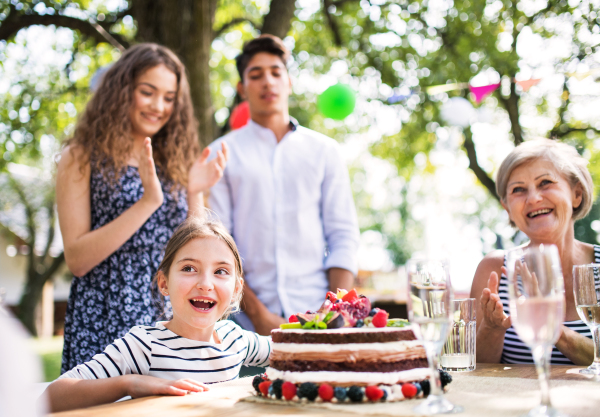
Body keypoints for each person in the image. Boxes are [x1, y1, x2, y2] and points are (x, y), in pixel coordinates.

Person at [56, 43, 228, 373]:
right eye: (148, 92)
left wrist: (195, 191)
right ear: (122, 91)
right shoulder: (80, 156)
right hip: (105, 313)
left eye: (168, 97)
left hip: (166, 316)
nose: (158, 106)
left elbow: (194, 250)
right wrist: (148, 202)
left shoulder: (176, 160)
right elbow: (77, 260)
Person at [207, 35, 360, 335]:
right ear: (242, 89)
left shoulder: (324, 151)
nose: (268, 81)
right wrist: (258, 315)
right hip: (242, 321)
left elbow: (343, 235)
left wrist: (334, 311)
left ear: (289, 82)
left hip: (321, 314)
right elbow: (219, 243)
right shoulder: (220, 153)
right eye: (256, 74)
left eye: (276, 72)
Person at [45, 216, 270, 412]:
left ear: (236, 289)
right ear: (164, 283)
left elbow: (296, 350)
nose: (205, 284)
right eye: (189, 268)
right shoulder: (145, 345)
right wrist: (129, 383)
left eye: (220, 271)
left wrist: (304, 324)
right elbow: (51, 398)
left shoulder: (236, 339)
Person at [470, 139, 595, 365]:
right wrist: (492, 328)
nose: (533, 198)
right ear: (507, 208)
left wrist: (553, 328)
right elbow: (475, 373)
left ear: (577, 194)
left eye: (545, 182)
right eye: (518, 190)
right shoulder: (494, 270)